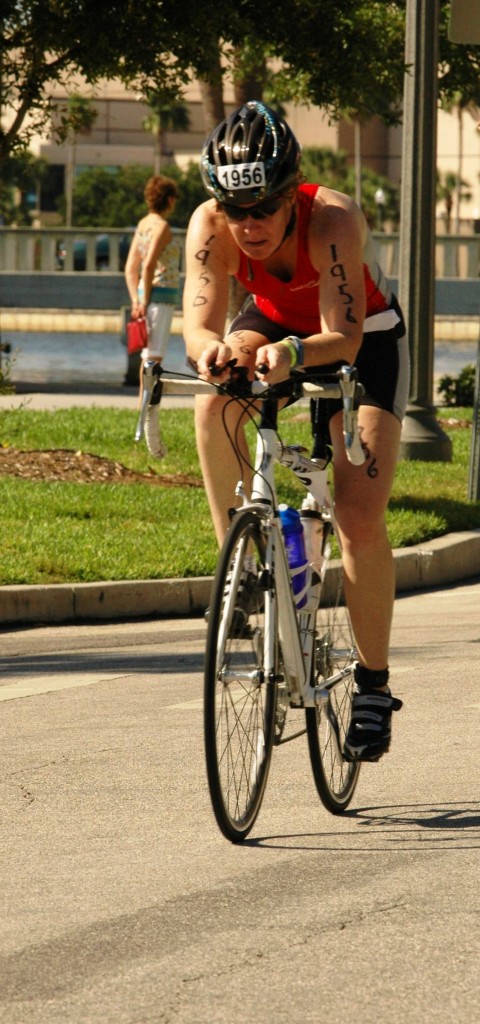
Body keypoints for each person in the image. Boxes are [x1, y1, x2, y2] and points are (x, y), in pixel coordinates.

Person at [183, 100, 409, 763]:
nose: (248, 224)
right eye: (234, 208)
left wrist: (293, 355)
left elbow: (341, 334)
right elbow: (199, 323)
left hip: (361, 339)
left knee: (358, 515)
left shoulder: (334, 219)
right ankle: (240, 567)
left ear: (291, 196)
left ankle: (373, 685)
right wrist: (209, 354)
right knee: (214, 403)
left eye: (264, 208)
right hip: (273, 320)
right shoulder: (209, 226)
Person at [125, 174, 181, 458]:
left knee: (147, 361)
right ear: (169, 199)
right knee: (153, 362)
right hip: (160, 300)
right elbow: (147, 268)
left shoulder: (142, 225)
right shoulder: (162, 227)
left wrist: (136, 300)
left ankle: (142, 415)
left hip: (147, 301)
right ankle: (146, 423)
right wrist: (146, 301)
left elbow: (131, 268)